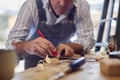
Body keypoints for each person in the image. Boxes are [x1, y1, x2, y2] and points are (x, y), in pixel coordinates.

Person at [6, 0, 95, 69]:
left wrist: (70, 47)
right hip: (34, 66)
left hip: (64, 62)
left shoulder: (81, 6)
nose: (63, 4)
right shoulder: (31, 5)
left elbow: (87, 39)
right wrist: (26, 46)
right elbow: (10, 44)